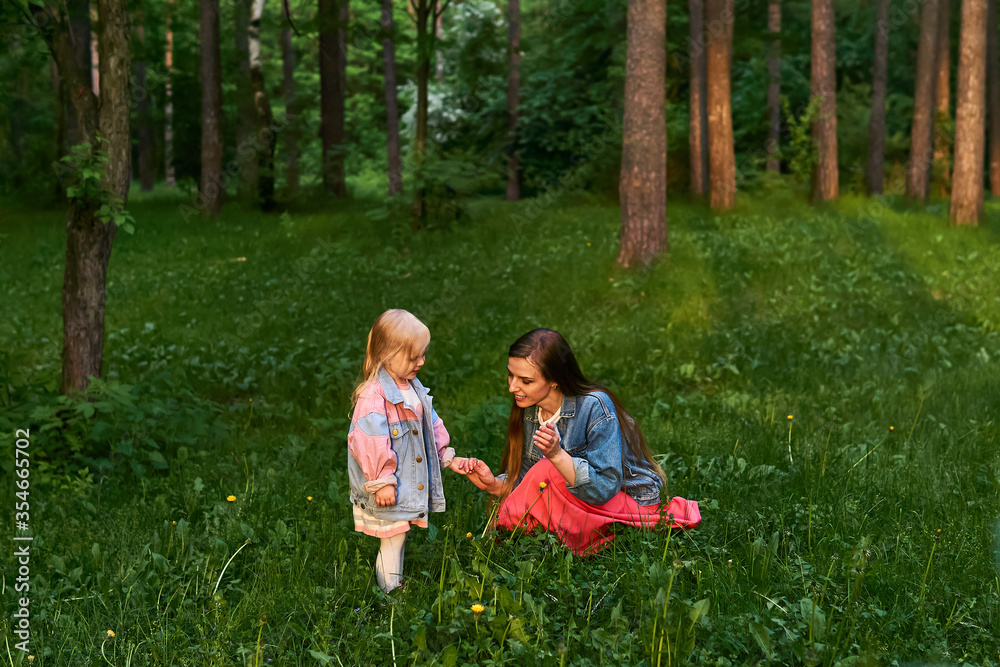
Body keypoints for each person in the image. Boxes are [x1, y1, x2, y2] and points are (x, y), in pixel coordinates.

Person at [464, 328, 700, 554]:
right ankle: (558, 534)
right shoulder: (530, 410)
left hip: (622, 497)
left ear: (554, 380)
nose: (512, 387)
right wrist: (494, 484)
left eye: (525, 381)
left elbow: (605, 488)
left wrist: (557, 455)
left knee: (547, 469)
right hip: (575, 500)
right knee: (540, 482)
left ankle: (587, 534)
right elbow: (530, 483)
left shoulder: (594, 406)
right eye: (510, 374)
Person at [347, 309, 475, 592]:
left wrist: (445, 455)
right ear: (386, 353)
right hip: (386, 488)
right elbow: (370, 443)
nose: (421, 362)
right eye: (413, 356)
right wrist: (383, 481)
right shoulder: (373, 397)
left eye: (423, 354)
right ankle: (390, 594)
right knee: (392, 538)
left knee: (398, 535)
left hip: (402, 485)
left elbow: (431, 424)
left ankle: (394, 585)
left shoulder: (412, 387)